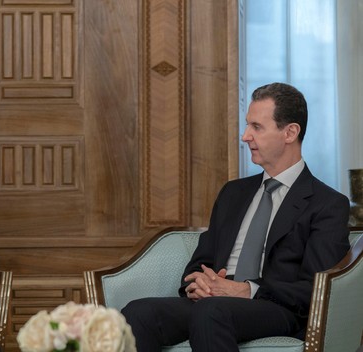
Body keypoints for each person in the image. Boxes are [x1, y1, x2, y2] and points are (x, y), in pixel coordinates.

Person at [121, 82, 350, 351]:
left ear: (290, 132)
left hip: (275, 309)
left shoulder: (327, 204)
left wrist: (247, 290)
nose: (245, 136)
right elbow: (200, 262)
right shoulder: (233, 193)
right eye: (247, 125)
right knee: (137, 313)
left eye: (256, 127)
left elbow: (317, 288)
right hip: (213, 303)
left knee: (211, 312)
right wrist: (199, 284)